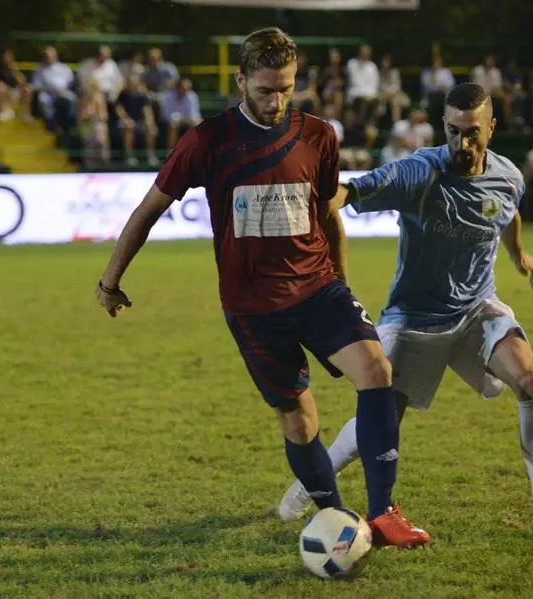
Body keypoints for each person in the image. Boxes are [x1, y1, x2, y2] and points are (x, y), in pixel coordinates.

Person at [94, 27, 429, 549]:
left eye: (286, 89)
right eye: (265, 90)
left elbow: (327, 213)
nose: (276, 101)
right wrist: (110, 281)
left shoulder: (318, 135)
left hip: (320, 290)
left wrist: (341, 281)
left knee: (377, 369)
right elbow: (148, 210)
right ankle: (335, 518)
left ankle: (384, 513)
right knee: (299, 422)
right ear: (241, 81)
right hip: (254, 310)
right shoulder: (208, 141)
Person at [275, 82, 533, 547]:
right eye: (453, 131)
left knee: (530, 380)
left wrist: (519, 256)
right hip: (414, 317)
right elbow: (349, 192)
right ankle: (308, 483)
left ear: (492, 128)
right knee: (381, 420)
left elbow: (508, 212)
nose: (463, 143)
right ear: (444, 126)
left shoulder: (508, 175)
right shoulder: (419, 172)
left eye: (473, 132)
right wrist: (311, 201)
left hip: (477, 310)